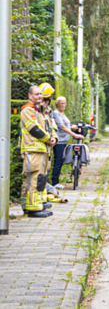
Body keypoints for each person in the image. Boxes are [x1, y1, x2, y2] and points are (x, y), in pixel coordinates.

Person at [20, 85, 56, 218]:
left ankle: (31, 205)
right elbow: (34, 129)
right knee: (35, 178)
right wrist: (49, 139)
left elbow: (49, 127)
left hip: (42, 150)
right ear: (30, 96)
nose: (40, 96)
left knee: (40, 179)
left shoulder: (40, 111)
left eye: (41, 94)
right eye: (36, 94)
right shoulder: (27, 110)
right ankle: (33, 208)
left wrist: (54, 138)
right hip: (33, 149)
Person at [50, 96, 86, 188]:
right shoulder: (56, 113)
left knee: (61, 160)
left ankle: (56, 181)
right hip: (59, 140)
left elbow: (67, 125)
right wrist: (74, 135)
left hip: (64, 140)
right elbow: (62, 127)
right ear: (57, 104)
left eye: (64, 103)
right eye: (61, 103)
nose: (63, 105)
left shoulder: (62, 114)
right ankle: (55, 182)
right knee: (58, 160)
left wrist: (77, 127)